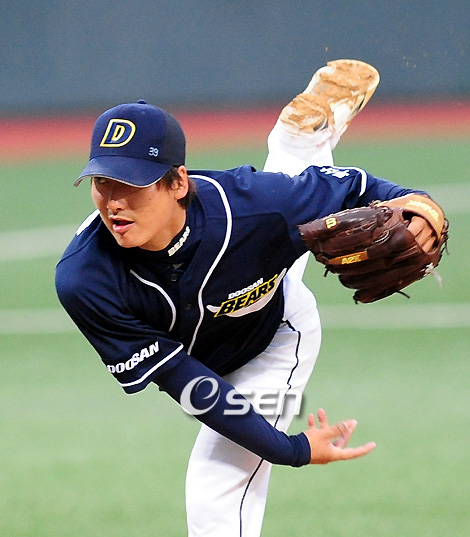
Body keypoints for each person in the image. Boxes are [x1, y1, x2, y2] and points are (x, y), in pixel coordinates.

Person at [55, 60, 436, 537]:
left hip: (273, 336)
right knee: (271, 237)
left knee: (215, 488)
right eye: (102, 182)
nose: (114, 202)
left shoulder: (250, 205)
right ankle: (298, 144)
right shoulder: (85, 278)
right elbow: (192, 384)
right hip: (211, 338)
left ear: (178, 182)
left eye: (132, 184)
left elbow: (355, 189)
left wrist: (420, 204)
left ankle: (299, 148)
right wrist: (292, 449)